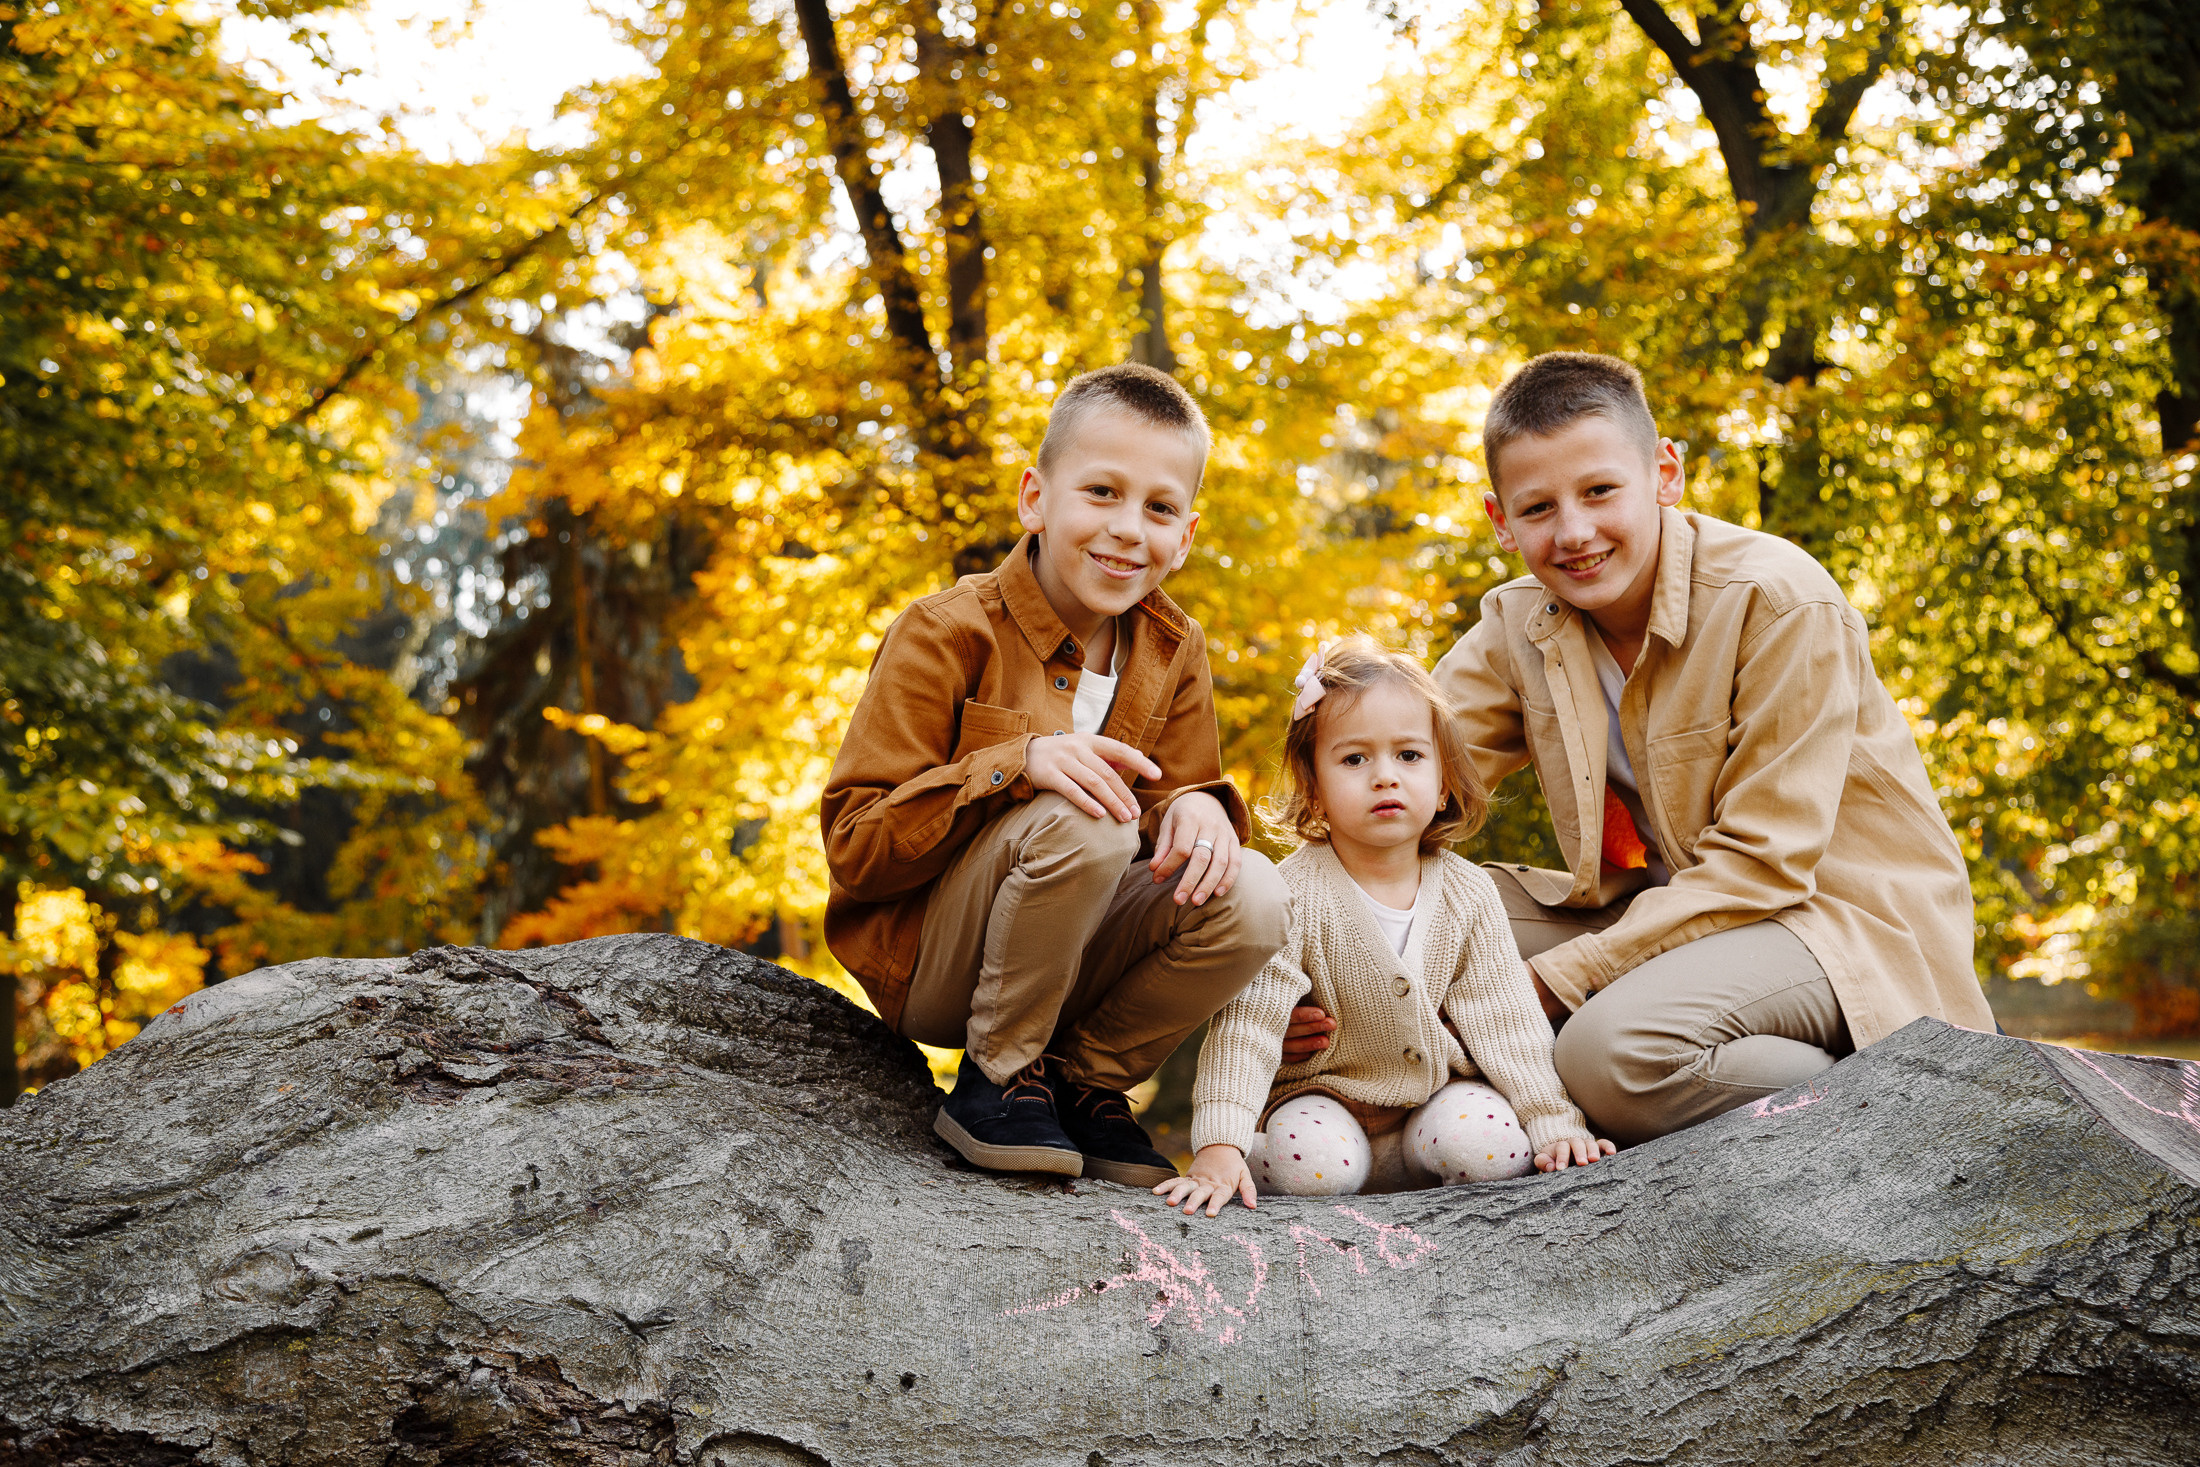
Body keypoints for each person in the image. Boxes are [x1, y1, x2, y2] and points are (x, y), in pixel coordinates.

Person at [1274, 352, 1992, 1147]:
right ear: (1501, 520)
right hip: (1671, 908)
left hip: (1832, 921)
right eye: (1538, 507)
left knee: (1608, 1054)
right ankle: (1433, 1115)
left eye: (1600, 491)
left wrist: (1554, 982)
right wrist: (1300, 960)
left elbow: (1764, 865)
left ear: (1664, 474)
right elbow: (1391, 772)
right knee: (1395, 921)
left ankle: (1910, 1098)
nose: (1574, 532)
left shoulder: (1777, 601)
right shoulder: (1521, 625)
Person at [820, 363, 1289, 1187]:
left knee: (1252, 890)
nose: (1127, 530)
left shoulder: (1174, 649)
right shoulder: (944, 631)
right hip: (936, 962)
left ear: (1184, 536)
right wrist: (1019, 763)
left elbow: (1172, 798)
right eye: (1101, 492)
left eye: (1159, 509)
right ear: (1035, 498)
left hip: (1075, 962)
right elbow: (856, 847)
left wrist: (1201, 808)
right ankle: (996, 1076)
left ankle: (1082, 1082)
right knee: (1089, 813)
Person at [1154, 638, 1611, 1217]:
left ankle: (1419, 1170)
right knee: (1309, 1166)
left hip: (1436, 1100)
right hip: (1326, 1101)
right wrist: (1219, 1147)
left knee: (1492, 1149)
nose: (1385, 777)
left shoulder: (1469, 893)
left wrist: (1553, 1122)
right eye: (1354, 760)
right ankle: (1275, 1161)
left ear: (1443, 783)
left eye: (1410, 756)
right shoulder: (1290, 894)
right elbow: (1250, 1026)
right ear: (1314, 789)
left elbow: (1506, 1019)